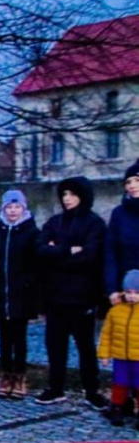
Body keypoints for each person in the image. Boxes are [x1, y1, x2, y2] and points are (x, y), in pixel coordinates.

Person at [34, 176, 108, 409]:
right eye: (64, 194)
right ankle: (55, 388)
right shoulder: (55, 222)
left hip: (82, 297)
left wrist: (58, 253)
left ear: (83, 196)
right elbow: (41, 250)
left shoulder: (95, 224)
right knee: (55, 346)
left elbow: (90, 256)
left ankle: (92, 390)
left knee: (85, 347)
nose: (67, 199)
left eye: (72, 194)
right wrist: (68, 251)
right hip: (56, 297)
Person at [0, 190, 40, 399]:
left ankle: (20, 376)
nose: (13, 211)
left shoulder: (31, 233)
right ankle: (6, 376)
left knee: (19, 338)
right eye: (9, 207)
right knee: (4, 338)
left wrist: (29, 284)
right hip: (0, 294)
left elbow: (36, 264)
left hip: (21, 295)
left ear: (24, 208)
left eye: (17, 207)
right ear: (3, 209)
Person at [104, 161, 139, 418]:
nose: (132, 186)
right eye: (128, 182)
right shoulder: (119, 214)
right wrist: (113, 288)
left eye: (136, 181)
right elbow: (111, 253)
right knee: (124, 345)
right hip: (125, 291)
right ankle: (121, 401)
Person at [98, 270, 139, 428]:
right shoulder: (115, 311)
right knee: (119, 383)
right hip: (121, 356)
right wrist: (104, 354)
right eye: (128, 292)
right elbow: (106, 334)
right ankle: (116, 408)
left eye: (136, 293)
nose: (132, 296)